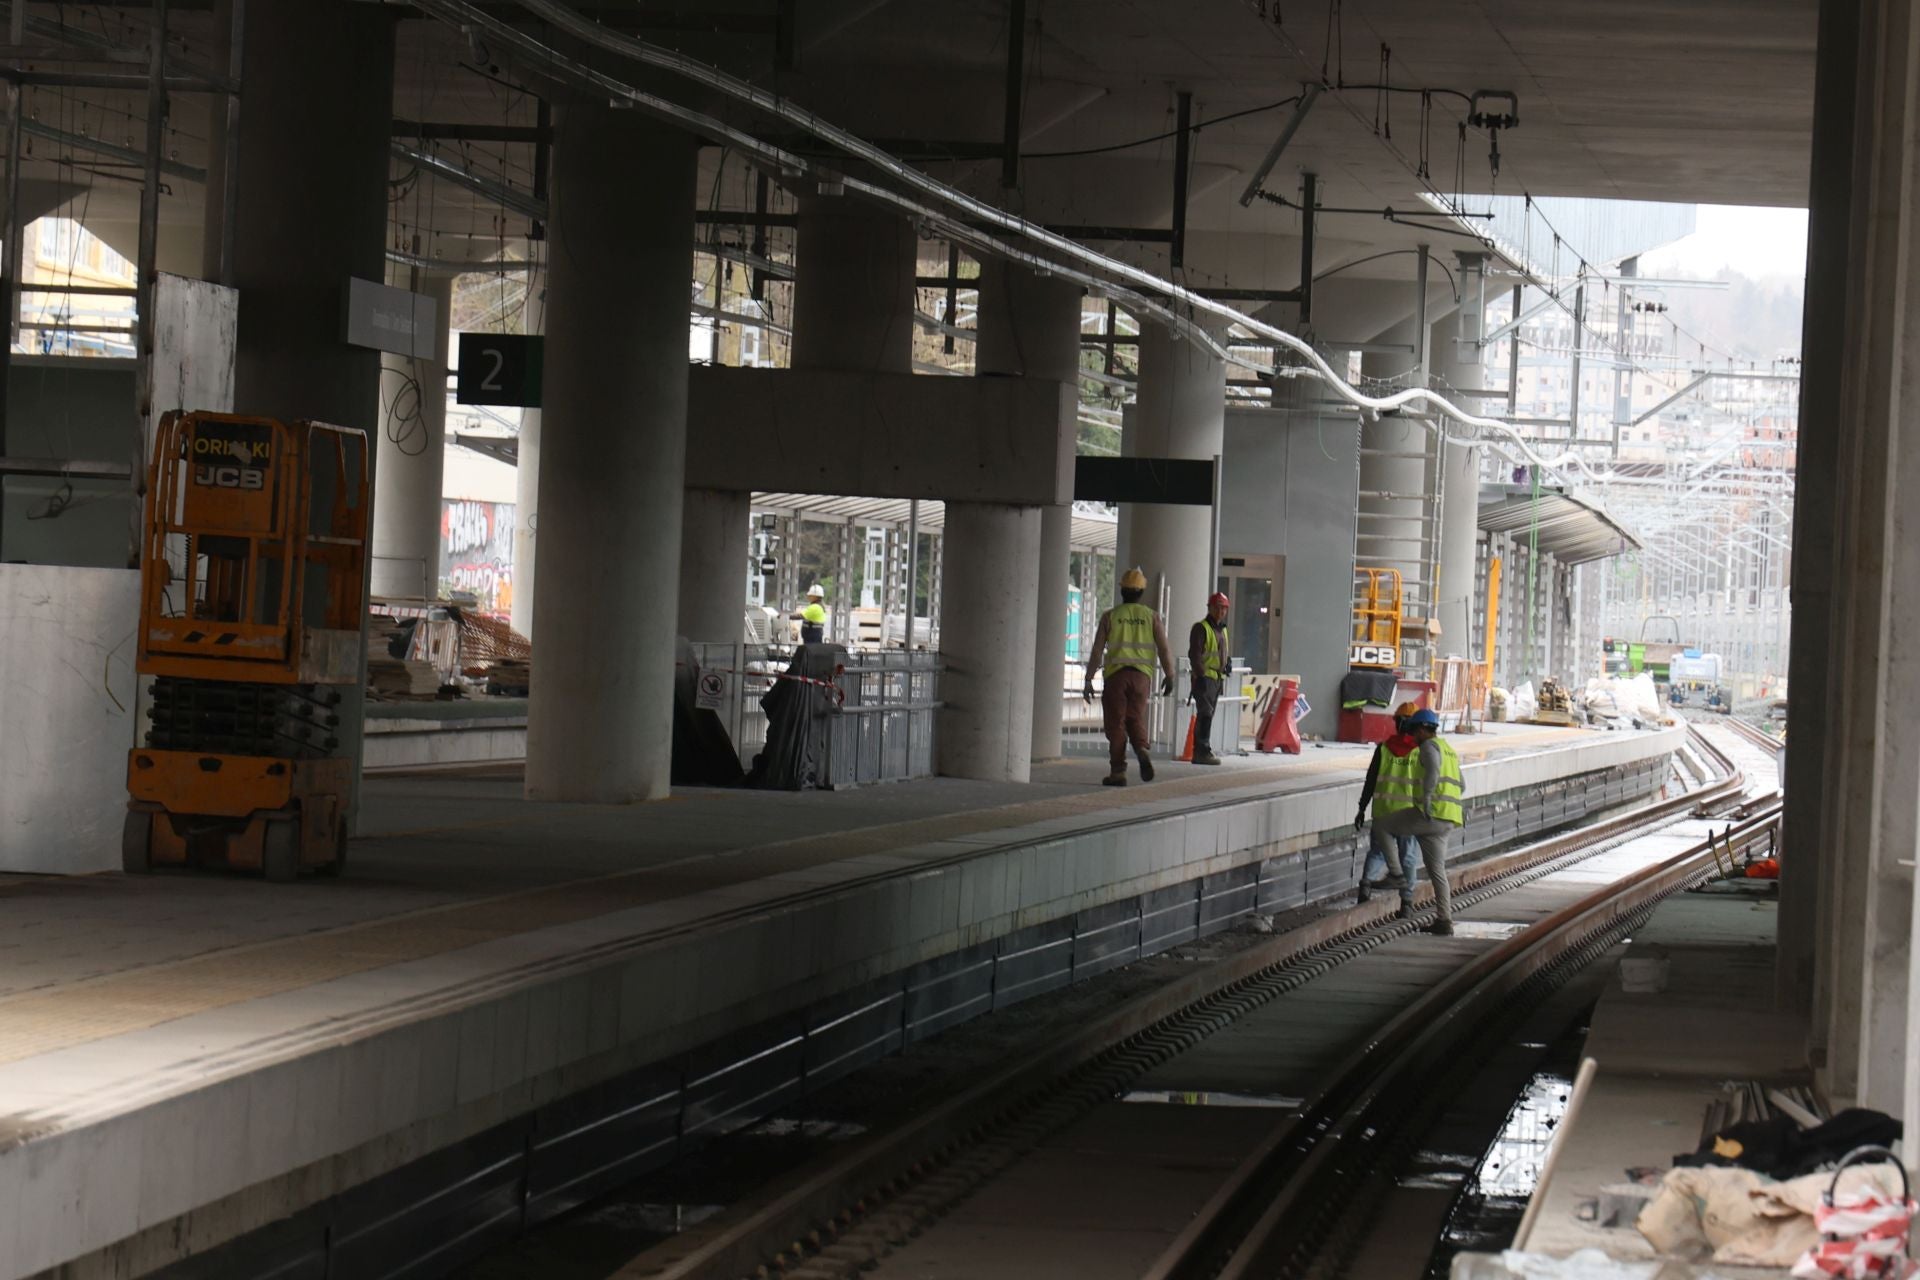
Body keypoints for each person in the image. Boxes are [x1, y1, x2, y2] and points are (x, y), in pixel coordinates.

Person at [1368, 707, 1466, 935]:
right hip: (1448, 819)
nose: (1412, 735)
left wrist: (1428, 798)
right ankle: (1444, 920)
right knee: (1438, 872)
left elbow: (1432, 770)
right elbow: (1462, 784)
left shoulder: (1429, 746)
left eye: (1414, 731)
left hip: (1429, 815)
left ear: (1423, 729)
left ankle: (1395, 874)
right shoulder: (1448, 749)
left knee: (1381, 825)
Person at [1082, 566, 1176, 787]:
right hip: (1141, 678)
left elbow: (1097, 650)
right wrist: (1169, 674)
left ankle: (1118, 772)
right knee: (1134, 718)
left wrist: (1088, 678)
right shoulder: (1152, 617)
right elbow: (1163, 648)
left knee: (1116, 724)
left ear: (1122, 591)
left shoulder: (1110, 616)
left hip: (1116, 677)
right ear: (1141, 592)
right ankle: (1142, 749)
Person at [1355, 702, 1423, 912]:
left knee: (1377, 851)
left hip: (1383, 812)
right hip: (1408, 815)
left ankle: (1366, 886)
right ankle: (1407, 902)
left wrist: (1362, 808)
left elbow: (1370, 780)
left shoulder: (1383, 749)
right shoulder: (1421, 752)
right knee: (1408, 856)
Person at [1188, 592, 1231, 765]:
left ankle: (1202, 750)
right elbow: (1195, 654)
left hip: (1216, 678)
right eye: (1218, 607)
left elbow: (1222, 652)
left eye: (1224, 608)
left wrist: (1227, 663)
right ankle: (1201, 751)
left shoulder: (1222, 629)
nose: (1221, 611)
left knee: (1208, 714)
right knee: (1205, 714)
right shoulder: (1201, 628)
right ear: (1210, 608)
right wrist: (1200, 674)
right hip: (1205, 678)